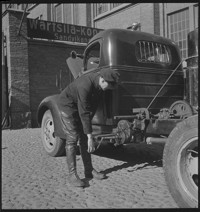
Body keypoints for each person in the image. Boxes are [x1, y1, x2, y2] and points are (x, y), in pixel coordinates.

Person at [58, 68, 120, 187]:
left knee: (84, 137)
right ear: (102, 79)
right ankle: (72, 175)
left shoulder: (100, 87)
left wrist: (87, 132)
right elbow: (84, 110)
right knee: (73, 137)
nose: (108, 89)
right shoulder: (85, 84)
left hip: (79, 107)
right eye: (108, 86)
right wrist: (91, 136)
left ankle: (89, 170)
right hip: (67, 106)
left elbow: (90, 110)